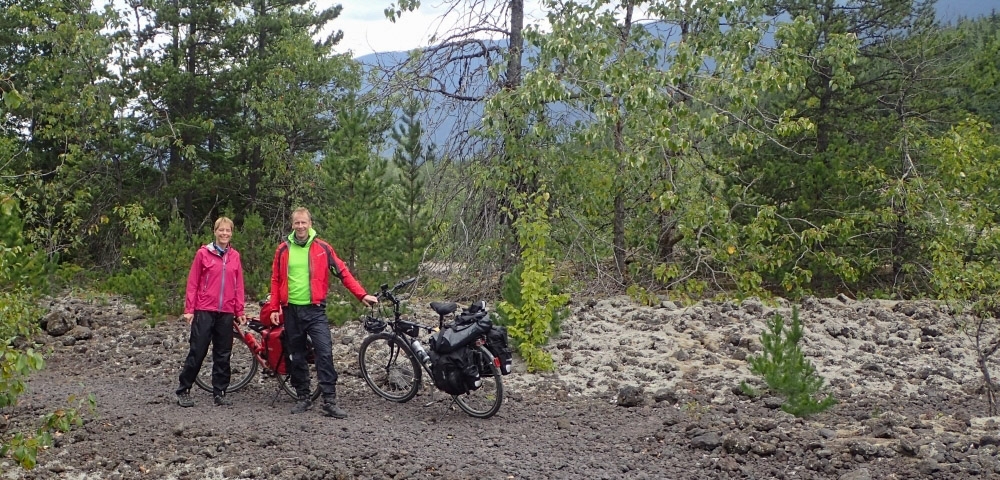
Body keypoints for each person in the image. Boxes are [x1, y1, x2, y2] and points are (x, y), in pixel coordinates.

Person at [266, 207, 377, 418]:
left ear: (310, 224)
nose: (300, 226)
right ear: (292, 225)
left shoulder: (322, 248)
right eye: (297, 223)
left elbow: (342, 272)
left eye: (303, 223)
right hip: (291, 311)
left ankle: (329, 400)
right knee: (296, 356)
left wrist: (362, 295)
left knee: (324, 353)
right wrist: (274, 307)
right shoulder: (283, 249)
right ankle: (303, 397)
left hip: (315, 311)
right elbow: (276, 280)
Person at [176, 216, 247, 407]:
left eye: (228, 230)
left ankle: (220, 391)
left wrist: (239, 310)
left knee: (223, 354)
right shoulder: (203, 254)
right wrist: (189, 309)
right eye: (221, 230)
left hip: (226, 311)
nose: (224, 234)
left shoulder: (235, 256)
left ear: (232, 233)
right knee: (197, 350)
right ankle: (184, 389)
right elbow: (193, 283)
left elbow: (238, 285)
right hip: (205, 309)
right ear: (215, 232)